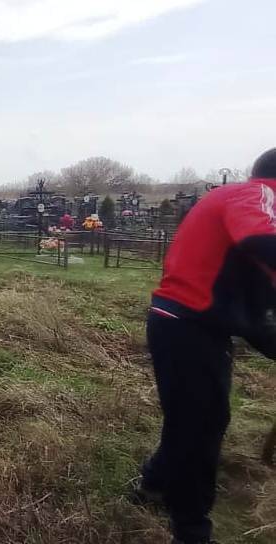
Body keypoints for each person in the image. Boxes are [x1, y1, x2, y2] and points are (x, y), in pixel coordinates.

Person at [134, 148, 276, 544]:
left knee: (194, 418)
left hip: (190, 325)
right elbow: (263, 243)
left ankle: (153, 484)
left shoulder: (237, 200)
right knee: (200, 430)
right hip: (187, 325)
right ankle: (191, 530)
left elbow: (252, 296)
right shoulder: (257, 196)